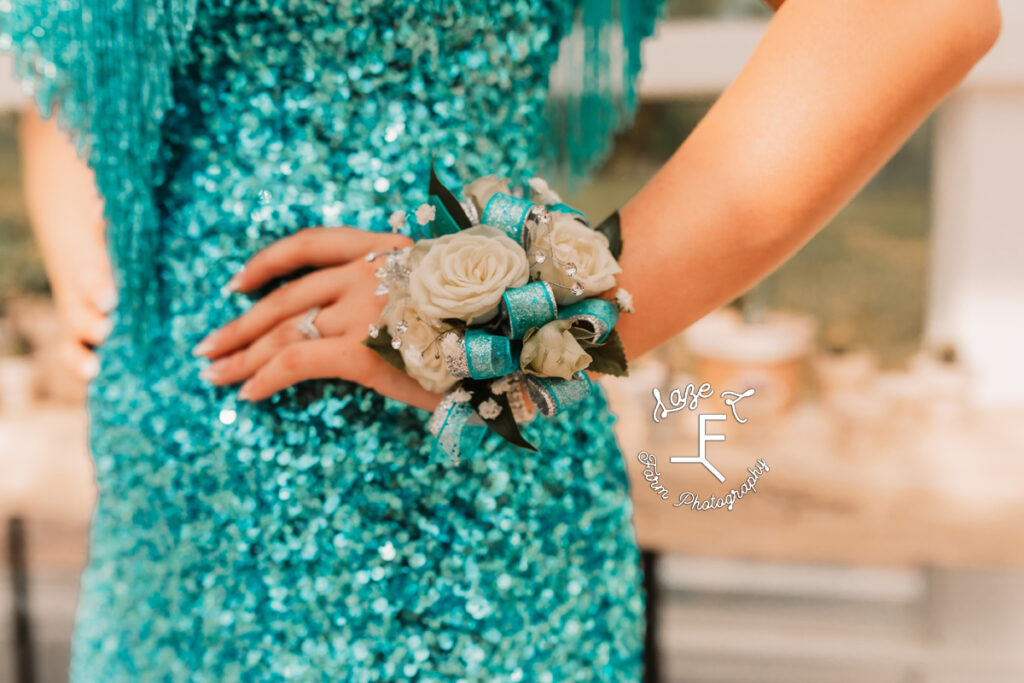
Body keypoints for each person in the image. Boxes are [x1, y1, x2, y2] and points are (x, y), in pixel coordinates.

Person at [7, 0, 1001, 680]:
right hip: (159, 520)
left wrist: (529, 310)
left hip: (426, 525)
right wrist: (68, 173)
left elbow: (909, 12)